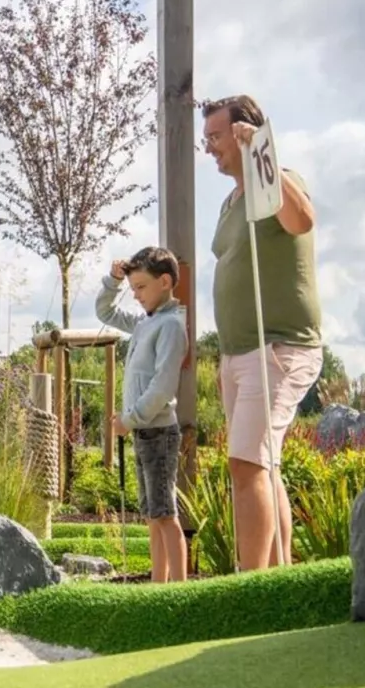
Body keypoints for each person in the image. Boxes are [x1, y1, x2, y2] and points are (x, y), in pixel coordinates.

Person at [202, 94, 323, 570]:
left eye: (215, 136)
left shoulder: (279, 180)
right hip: (239, 354)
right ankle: (277, 579)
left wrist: (260, 155)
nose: (209, 147)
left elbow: (302, 220)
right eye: (206, 138)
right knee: (261, 465)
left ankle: (248, 587)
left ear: (241, 132)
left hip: (277, 347)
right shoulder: (231, 200)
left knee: (246, 464)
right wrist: (225, 360)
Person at [95, 247, 188, 582]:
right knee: (152, 514)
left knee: (165, 514)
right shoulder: (143, 323)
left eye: (141, 288)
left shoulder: (171, 327)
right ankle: (158, 585)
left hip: (159, 432)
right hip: (144, 432)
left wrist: (128, 419)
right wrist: (114, 281)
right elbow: (104, 310)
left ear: (165, 282)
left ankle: (178, 590)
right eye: (133, 289)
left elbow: (162, 388)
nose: (135, 296)